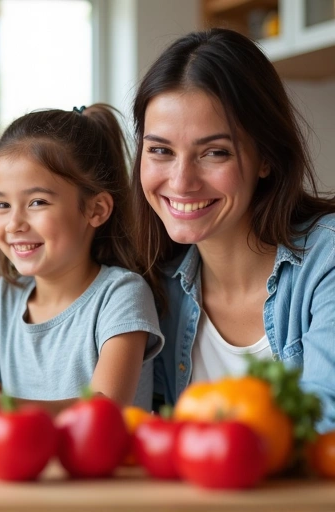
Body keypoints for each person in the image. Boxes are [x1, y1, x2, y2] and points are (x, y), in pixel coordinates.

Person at [0, 104, 164, 443]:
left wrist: (5, 405)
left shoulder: (121, 294)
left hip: (107, 485)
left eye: (37, 203)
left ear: (96, 209)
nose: (14, 223)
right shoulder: (7, 297)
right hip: (24, 476)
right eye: (2, 205)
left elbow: (106, 408)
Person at [130, 28, 335, 431]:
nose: (181, 180)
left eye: (215, 153)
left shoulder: (326, 262)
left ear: (266, 158)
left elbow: (324, 427)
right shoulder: (150, 284)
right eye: (161, 151)